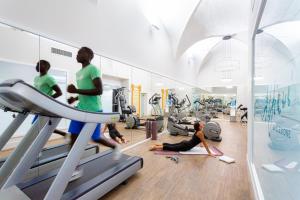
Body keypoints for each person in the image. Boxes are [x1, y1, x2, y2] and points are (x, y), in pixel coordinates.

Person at [67, 47, 121, 161]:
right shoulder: (78, 73)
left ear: (88, 55)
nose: (77, 55)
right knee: (73, 137)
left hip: (94, 110)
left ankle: (115, 146)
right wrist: (75, 98)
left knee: (95, 138)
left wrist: (76, 91)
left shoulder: (93, 69)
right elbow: (85, 90)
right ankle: (74, 168)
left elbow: (99, 90)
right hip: (80, 108)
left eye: (79, 53)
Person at [33, 60, 66, 137]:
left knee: (36, 126)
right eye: (37, 64)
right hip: (38, 105)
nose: (37, 66)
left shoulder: (49, 78)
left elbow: (59, 92)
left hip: (46, 105)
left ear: (45, 67)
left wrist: (47, 99)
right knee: (39, 126)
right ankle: (63, 134)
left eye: (39, 64)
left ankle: (63, 134)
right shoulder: (36, 78)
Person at [149, 122, 215, 157]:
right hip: (186, 146)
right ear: (199, 127)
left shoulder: (198, 131)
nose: (202, 125)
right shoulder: (200, 132)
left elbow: (200, 140)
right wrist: (209, 153)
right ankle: (155, 147)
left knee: (172, 145)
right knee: (171, 148)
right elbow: (204, 142)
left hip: (186, 143)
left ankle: (157, 145)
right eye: (201, 124)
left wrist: (201, 144)